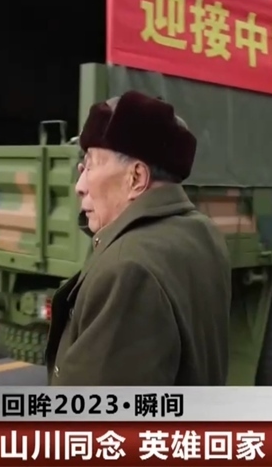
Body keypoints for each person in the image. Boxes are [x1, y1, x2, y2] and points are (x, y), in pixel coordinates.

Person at [44, 90, 231, 385]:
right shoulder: (202, 233)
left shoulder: (127, 269)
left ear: (136, 178)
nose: (80, 185)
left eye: (91, 165)